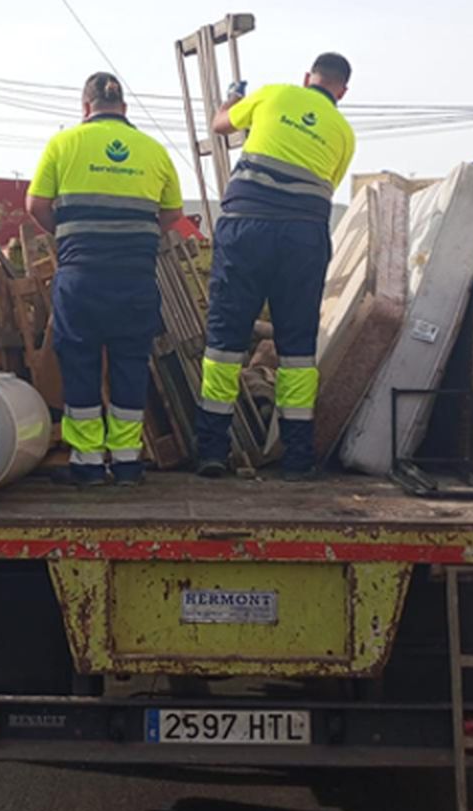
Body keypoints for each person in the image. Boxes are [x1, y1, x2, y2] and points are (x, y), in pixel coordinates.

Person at [195, 52, 356, 480]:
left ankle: (212, 451)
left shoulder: (273, 95)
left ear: (307, 77)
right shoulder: (344, 134)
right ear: (342, 91)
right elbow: (325, 185)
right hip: (303, 237)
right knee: (298, 348)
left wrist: (232, 99)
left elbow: (220, 124)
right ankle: (297, 458)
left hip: (246, 227)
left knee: (225, 342)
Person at [26, 72, 184, 486]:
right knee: (130, 365)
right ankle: (129, 463)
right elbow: (172, 213)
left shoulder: (63, 144)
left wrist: (67, 234)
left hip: (81, 276)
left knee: (80, 365)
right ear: (124, 108)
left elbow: (36, 205)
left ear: (85, 107)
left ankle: (88, 464)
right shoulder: (154, 150)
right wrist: (138, 234)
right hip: (135, 279)